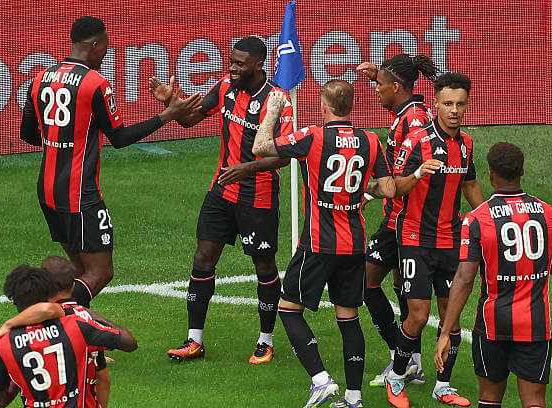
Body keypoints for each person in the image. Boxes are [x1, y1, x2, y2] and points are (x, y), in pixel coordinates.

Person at [20, 16, 202, 308]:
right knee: (100, 272)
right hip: (80, 195)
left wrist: (60, 143)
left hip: (48, 191)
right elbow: (118, 137)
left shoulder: (41, 77)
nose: (107, 51)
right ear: (94, 44)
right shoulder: (94, 83)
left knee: (79, 272)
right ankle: (49, 319)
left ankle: (80, 344)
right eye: (106, 45)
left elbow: (27, 134)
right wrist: (165, 116)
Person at [149, 36, 293, 364]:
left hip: (258, 197)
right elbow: (190, 118)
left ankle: (265, 341)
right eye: (231, 60)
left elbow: (283, 156)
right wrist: (170, 102)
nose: (232, 67)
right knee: (203, 257)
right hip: (221, 191)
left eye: (239, 63)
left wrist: (245, 169)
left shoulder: (277, 100)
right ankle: (194, 340)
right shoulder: (226, 86)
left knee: (264, 266)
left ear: (258, 64)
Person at [253, 80, 396, 408]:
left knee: (288, 310)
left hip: (318, 244)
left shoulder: (312, 136)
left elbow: (261, 147)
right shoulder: (371, 140)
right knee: (349, 317)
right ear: (352, 107)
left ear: (323, 107)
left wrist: (273, 109)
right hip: (355, 245)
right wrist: (359, 190)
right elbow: (388, 189)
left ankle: (320, 379)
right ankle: (354, 397)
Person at [435, 142, 552, 408]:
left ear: (491, 174)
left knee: (490, 400)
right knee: (534, 401)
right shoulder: (548, 212)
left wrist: (446, 331)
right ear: (523, 171)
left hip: (492, 324)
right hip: (536, 325)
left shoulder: (477, 218)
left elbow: (464, 279)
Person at [384, 72, 485, 408]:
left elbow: (469, 183)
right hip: (414, 236)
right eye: (447, 104)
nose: (454, 110)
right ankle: (397, 378)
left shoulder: (467, 144)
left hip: (451, 240)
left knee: (450, 317)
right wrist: (417, 174)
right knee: (417, 315)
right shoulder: (417, 141)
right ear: (436, 106)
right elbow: (395, 187)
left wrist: (486, 218)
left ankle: (443, 385)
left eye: (460, 104)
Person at [356, 54, 438, 386]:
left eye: (379, 85)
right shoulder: (405, 112)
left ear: (396, 86)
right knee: (392, 286)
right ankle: (408, 360)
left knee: (371, 283)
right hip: (398, 218)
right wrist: (379, 74)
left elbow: (406, 178)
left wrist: (363, 195)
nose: (375, 90)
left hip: (405, 220)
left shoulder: (414, 121)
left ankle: (401, 358)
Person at [0, 264, 137, 408]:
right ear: (49, 294)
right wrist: (90, 315)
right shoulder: (75, 326)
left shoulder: (3, 343)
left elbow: (0, 401)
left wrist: (21, 374)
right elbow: (129, 343)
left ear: (14, 299)